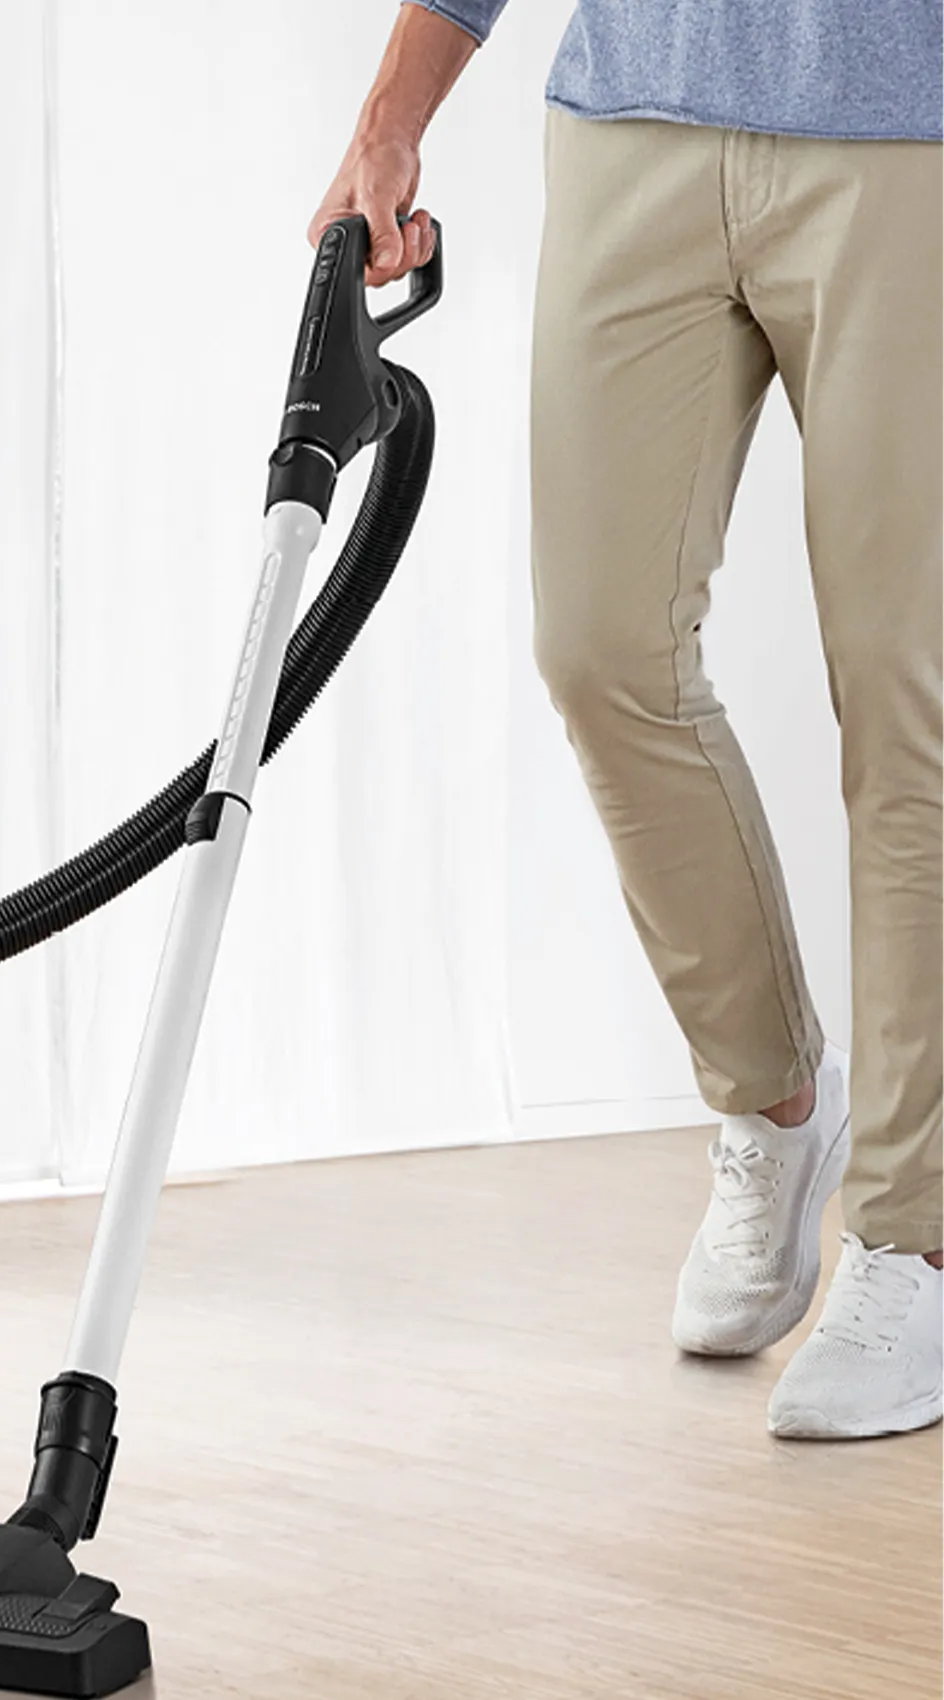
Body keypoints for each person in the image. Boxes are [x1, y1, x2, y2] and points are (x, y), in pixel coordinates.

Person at [314, 0, 939, 1439]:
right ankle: (779, 1104)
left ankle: (916, 1235)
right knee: (601, 648)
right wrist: (394, 114)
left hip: (913, 138)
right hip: (632, 123)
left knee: (909, 695)